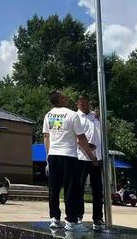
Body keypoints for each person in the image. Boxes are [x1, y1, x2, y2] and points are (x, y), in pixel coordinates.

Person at [43, 91, 98, 232]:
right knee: (70, 189)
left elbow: (46, 137)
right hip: (68, 156)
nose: (66, 96)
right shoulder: (72, 115)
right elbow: (81, 139)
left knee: (54, 189)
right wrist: (91, 156)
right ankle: (71, 221)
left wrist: (48, 156)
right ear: (60, 100)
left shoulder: (48, 115)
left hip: (53, 155)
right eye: (63, 96)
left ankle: (55, 218)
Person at [76, 94, 104, 230]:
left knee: (98, 190)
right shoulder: (75, 117)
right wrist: (88, 147)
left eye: (86, 103)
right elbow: (77, 138)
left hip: (97, 157)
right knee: (79, 188)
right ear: (78, 104)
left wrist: (100, 117)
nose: (84, 106)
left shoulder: (95, 116)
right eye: (82, 104)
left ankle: (98, 218)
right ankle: (77, 216)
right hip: (82, 157)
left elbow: (104, 130)